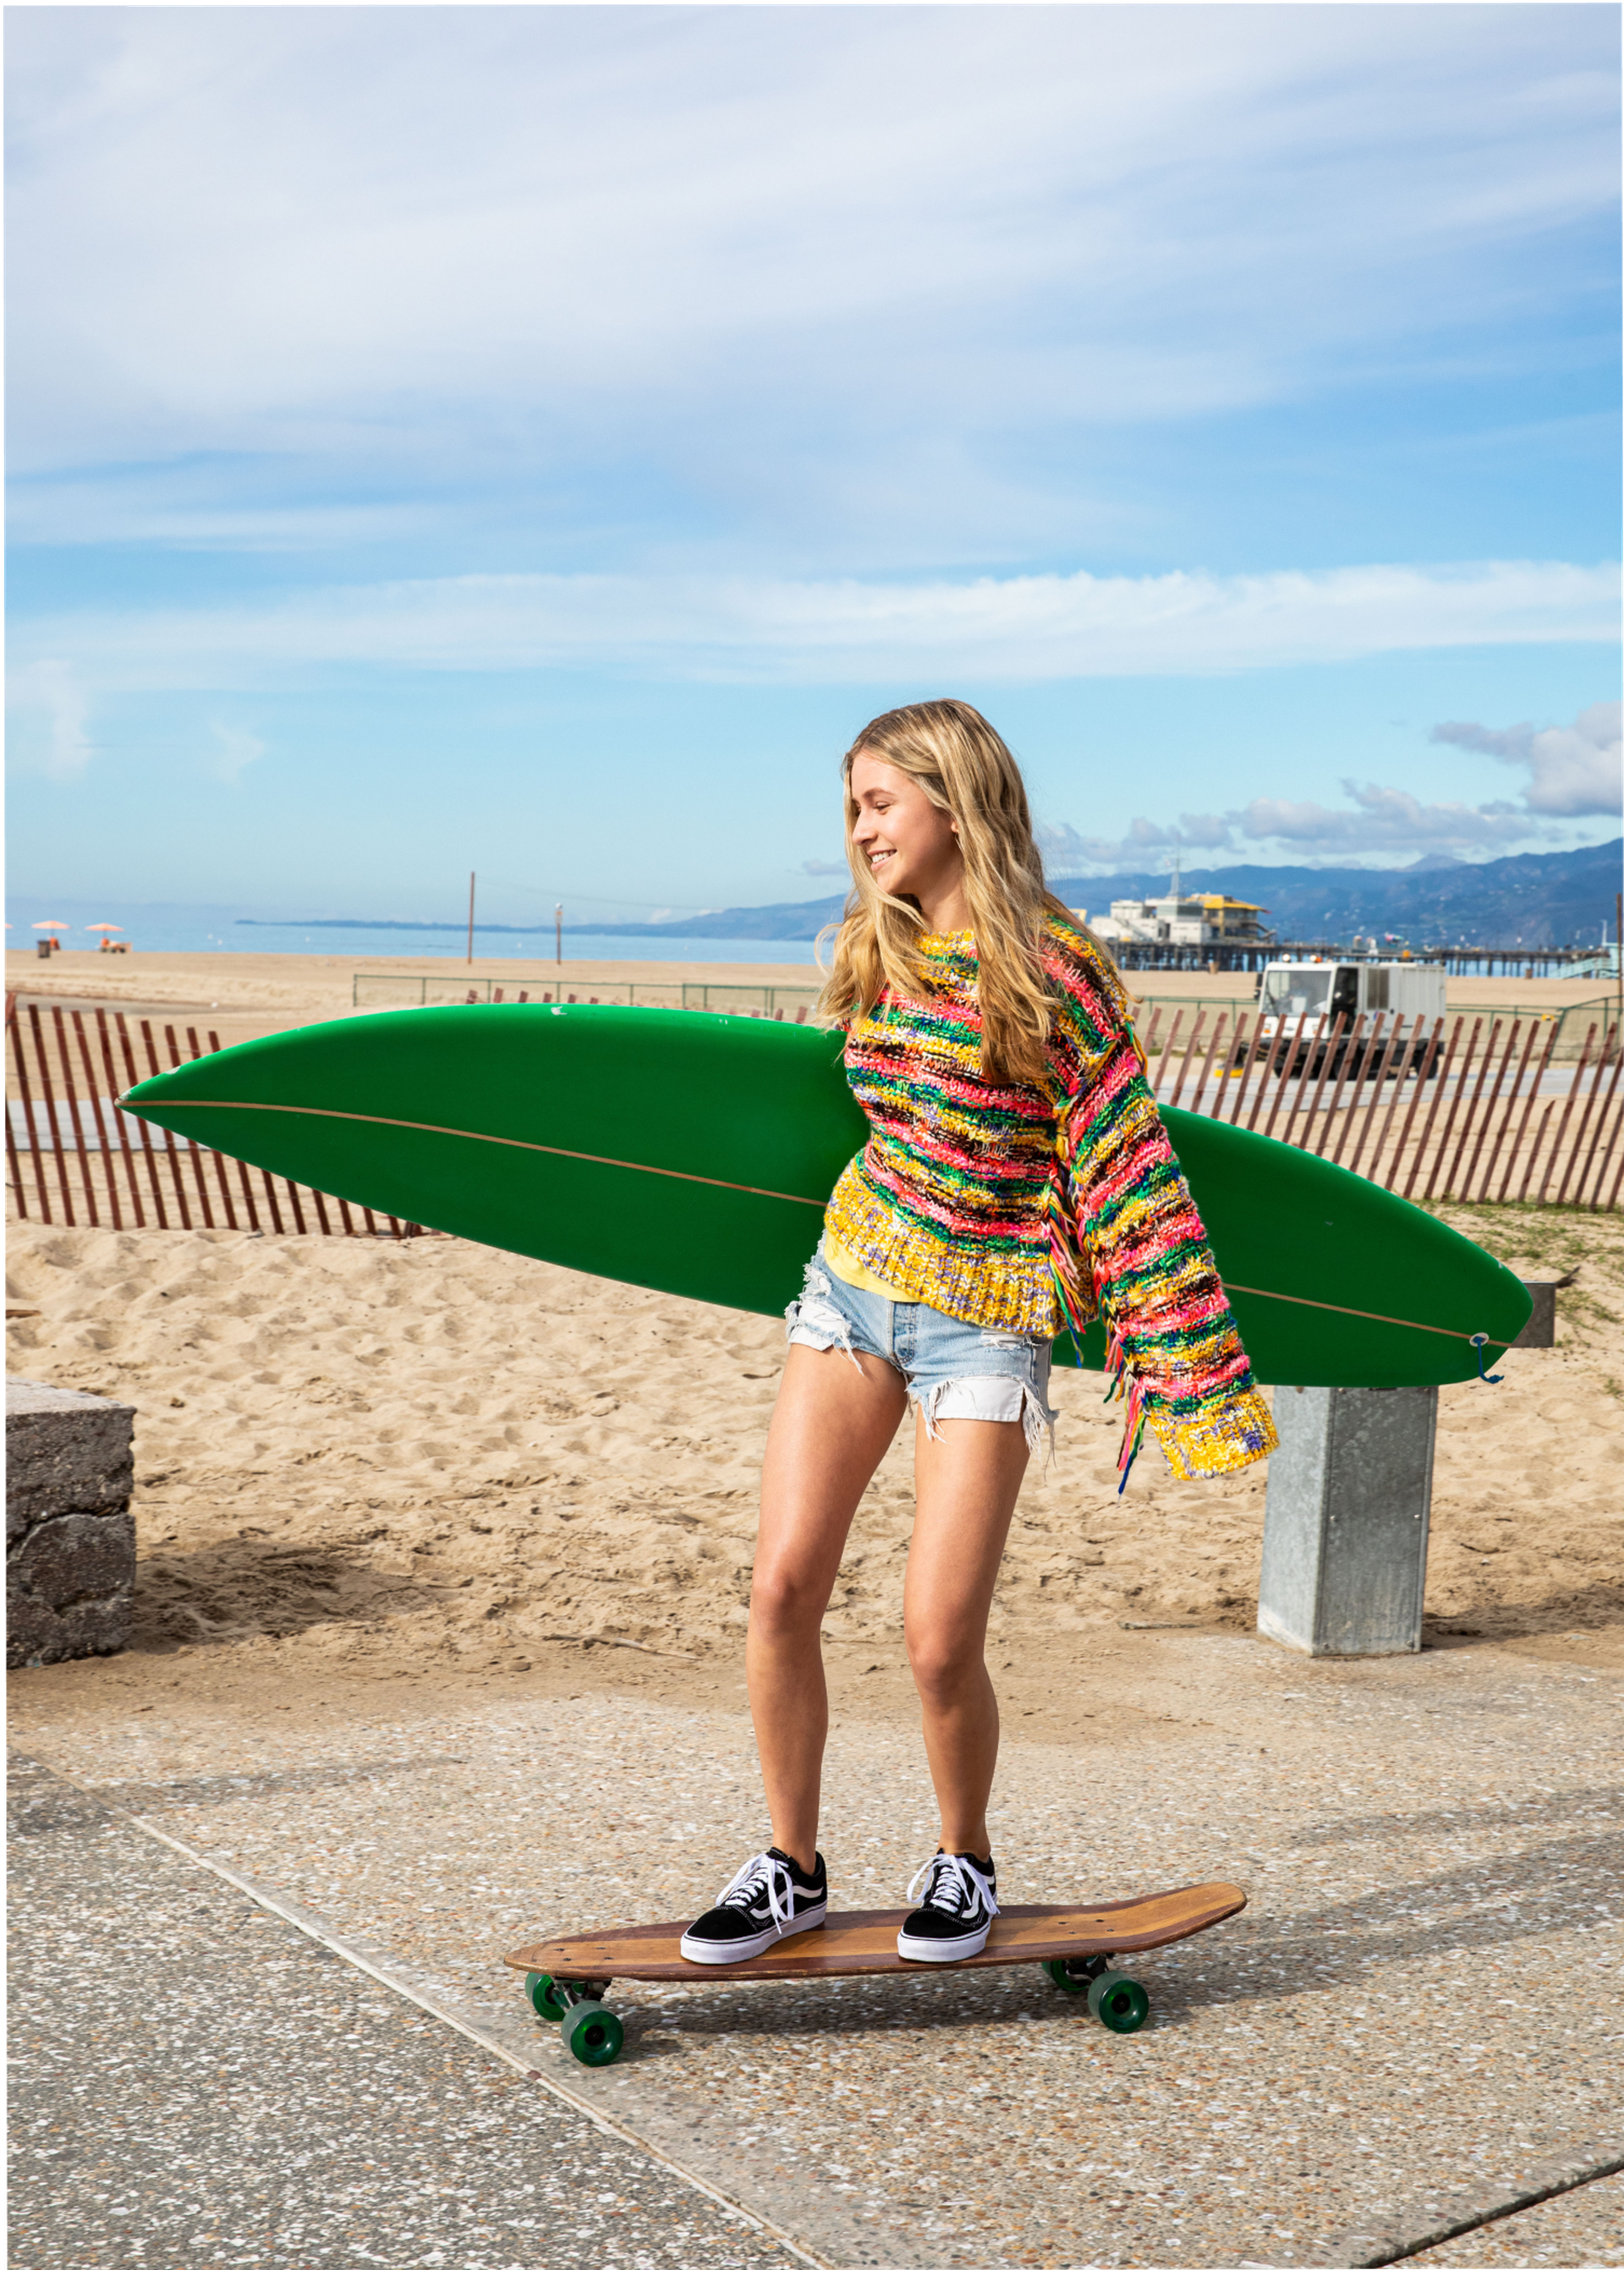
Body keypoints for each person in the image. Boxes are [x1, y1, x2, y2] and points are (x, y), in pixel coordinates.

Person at [680, 699, 1276, 1968]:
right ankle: (791, 1866)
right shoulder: (875, 948)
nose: (859, 830)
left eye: (878, 803)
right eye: (853, 807)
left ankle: (965, 1857)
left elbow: (1121, 1157)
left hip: (989, 1320)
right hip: (852, 1287)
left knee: (939, 1638)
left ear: (954, 802)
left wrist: (1185, 1356)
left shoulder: (1059, 969)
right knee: (780, 1588)